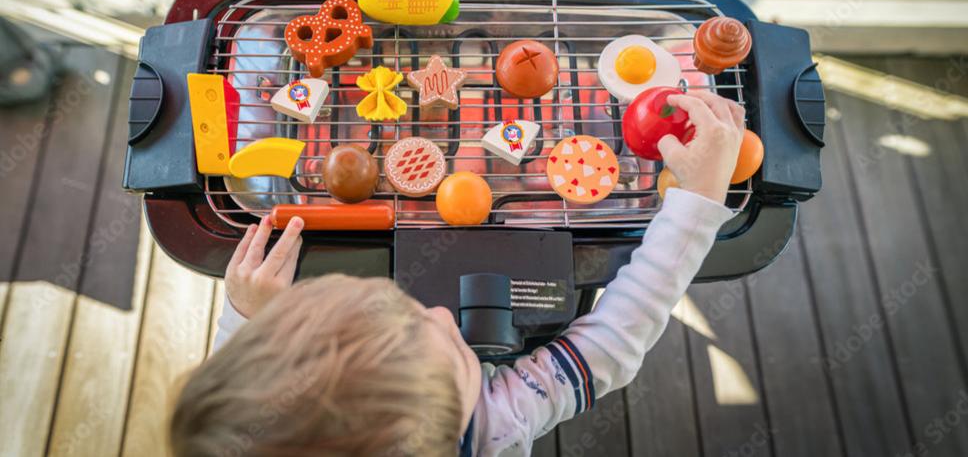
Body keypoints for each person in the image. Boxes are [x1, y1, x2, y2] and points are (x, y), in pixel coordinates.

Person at [170, 91, 745, 456]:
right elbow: (615, 343)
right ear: (459, 420)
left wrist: (244, 319)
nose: (445, 312)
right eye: (450, 345)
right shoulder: (494, 427)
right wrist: (698, 198)